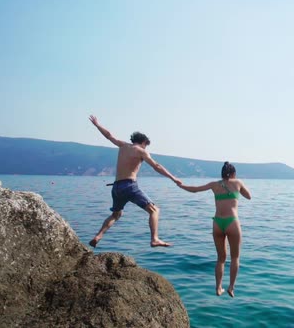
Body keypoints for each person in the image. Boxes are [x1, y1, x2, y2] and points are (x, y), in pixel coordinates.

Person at [88, 115, 182, 248]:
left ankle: (98, 236)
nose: (146, 148)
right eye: (146, 145)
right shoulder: (141, 152)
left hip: (116, 187)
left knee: (116, 214)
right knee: (154, 210)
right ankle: (154, 239)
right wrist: (173, 178)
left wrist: (97, 125)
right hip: (129, 186)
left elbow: (109, 135)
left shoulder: (123, 145)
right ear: (143, 142)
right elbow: (157, 166)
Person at [178, 162, 251, 297]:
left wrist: (181, 185)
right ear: (234, 173)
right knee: (235, 257)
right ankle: (231, 287)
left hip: (217, 223)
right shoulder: (238, 182)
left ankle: (218, 288)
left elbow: (194, 189)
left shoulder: (214, 185)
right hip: (232, 222)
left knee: (220, 258)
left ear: (222, 173)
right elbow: (249, 196)